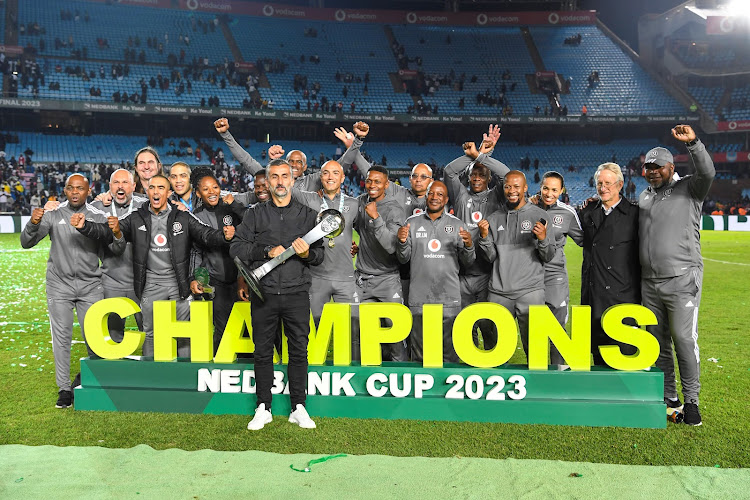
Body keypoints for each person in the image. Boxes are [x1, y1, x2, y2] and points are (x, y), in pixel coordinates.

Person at [75, 174, 233, 359]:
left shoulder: (182, 217)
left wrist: (224, 236)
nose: (156, 192)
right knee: (150, 334)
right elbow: (107, 232)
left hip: (178, 286)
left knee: (183, 334)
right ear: (147, 192)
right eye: (152, 188)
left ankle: (184, 380)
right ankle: (151, 380)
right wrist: (84, 226)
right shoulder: (136, 218)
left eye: (160, 188)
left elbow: (205, 234)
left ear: (168, 193)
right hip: (150, 286)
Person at [230, 159, 324, 431]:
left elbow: (319, 256)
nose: (280, 182)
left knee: (298, 351)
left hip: (296, 293)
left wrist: (307, 253)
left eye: (285, 176)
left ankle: (299, 407)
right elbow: (235, 249)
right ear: (268, 182)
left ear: (293, 180)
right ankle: (263, 407)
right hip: (264, 293)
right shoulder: (255, 214)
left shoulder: (308, 216)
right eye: (275, 177)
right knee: (262, 352)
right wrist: (266, 251)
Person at [639, 125, 715, 426]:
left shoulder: (690, 188)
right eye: (648, 167)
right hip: (649, 282)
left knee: (683, 339)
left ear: (672, 167)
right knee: (658, 343)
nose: (653, 171)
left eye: (658, 167)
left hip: (682, 278)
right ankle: (669, 396)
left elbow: (707, 173)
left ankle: (692, 401)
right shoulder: (644, 197)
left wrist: (694, 144)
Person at [21, 174, 113, 409]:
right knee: (61, 338)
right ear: (64, 190)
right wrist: (32, 223)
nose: (75, 192)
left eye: (80, 188)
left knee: (95, 339)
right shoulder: (53, 214)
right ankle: (64, 389)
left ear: (88, 191)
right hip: (59, 285)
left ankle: (93, 380)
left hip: (90, 286)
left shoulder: (97, 216)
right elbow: (26, 242)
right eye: (70, 188)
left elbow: (116, 245)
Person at [476, 171, 554, 360]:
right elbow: (491, 257)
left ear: (525, 188)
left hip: (530, 292)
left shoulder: (540, 215)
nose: (511, 191)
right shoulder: (493, 218)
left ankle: (538, 386)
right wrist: (484, 238)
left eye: (516, 186)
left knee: (536, 351)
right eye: (508, 186)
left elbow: (548, 255)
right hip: (499, 292)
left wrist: (543, 239)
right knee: (494, 352)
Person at [443, 126, 508, 349]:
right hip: (461, 272)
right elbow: (449, 171)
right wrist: (471, 155)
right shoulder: (460, 195)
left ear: (489, 178)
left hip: (488, 273)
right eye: (473, 173)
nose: (477, 177)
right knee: (463, 323)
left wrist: (482, 157)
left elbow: (507, 176)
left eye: (482, 174)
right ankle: (468, 364)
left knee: (487, 323)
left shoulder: (496, 195)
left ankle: (492, 363)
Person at [397, 181, 475, 362]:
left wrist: (469, 246)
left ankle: (450, 388)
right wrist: (401, 243)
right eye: (431, 193)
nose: (434, 197)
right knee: (419, 355)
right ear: (426, 196)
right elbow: (403, 259)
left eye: (440, 194)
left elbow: (468, 262)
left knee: (449, 354)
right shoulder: (411, 223)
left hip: (448, 297)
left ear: (446, 199)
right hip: (419, 298)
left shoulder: (457, 225)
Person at [579, 163, 640, 367]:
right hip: (594, 292)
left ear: (620, 185)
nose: (603, 188)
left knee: (623, 358)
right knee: (597, 357)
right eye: (599, 183)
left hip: (622, 294)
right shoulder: (587, 212)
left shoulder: (634, 214)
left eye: (608, 183)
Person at [291, 160, 359, 324]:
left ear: (343, 178)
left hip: (346, 278)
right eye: (326, 173)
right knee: (313, 326)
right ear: (320, 177)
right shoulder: (309, 199)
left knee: (353, 326)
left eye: (335, 173)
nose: (330, 177)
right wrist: (274, 161)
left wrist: (359, 247)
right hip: (317, 277)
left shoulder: (354, 204)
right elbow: (284, 187)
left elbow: (368, 232)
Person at [189, 167, 246, 354]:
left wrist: (235, 205)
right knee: (222, 328)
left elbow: (251, 227)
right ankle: (220, 368)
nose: (211, 192)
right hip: (216, 281)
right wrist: (195, 277)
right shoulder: (196, 217)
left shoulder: (230, 208)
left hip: (240, 279)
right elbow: (196, 252)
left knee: (245, 328)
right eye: (205, 189)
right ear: (198, 193)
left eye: (214, 187)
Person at [353, 165, 407, 361]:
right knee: (357, 332)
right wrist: (356, 245)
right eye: (369, 181)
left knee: (395, 332)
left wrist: (376, 217)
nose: (372, 185)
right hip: (362, 279)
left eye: (377, 181)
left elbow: (391, 246)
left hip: (387, 279)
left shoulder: (394, 209)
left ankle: (400, 378)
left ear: (386, 184)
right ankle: (356, 377)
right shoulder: (360, 202)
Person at [90, 168, 148, 343]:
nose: (120, 186)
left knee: (150, 333)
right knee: (113, 336)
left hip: (142, 282)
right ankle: (114, 370)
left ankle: (153, 370)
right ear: (109, 187)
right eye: (116, 182)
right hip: (111, 282)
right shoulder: (98, 207)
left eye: (124, 182)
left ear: (133, 186)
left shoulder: (146, 204)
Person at [534, 171, 583, 365]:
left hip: (555, 276)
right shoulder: (528, 208)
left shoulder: (568, 213)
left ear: (561, 190)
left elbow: (584, 240)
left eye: (554, 189)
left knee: (557, 327)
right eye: (546, 188)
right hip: (530, 276)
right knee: (533, 327)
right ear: (541, 187)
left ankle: (559, 372)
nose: (549, 193)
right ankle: (535, 374)